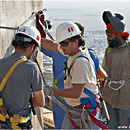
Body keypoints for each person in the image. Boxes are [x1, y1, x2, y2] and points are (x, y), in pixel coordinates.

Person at [41, 21, 104, 129]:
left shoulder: (80, 62)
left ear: (75, 41)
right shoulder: (70, 50)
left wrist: (52, 91)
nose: (61, 46)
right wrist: (34, 38)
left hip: (86, 112)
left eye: (64, 43)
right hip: (75, 109)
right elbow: (52, 45)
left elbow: (76, 92)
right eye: (61, 43)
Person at [40, 22, 84, 129]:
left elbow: (41, 44)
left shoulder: (60, 51)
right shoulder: (88, 55)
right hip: (79, 103)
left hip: (60, 98)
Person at [0, 25, 45, 129]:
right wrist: (25, 98)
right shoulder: (31, 68)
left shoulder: (1, 63)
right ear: (31, 47)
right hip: (19, 124)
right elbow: (40, 102)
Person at [102, 11, 130, 129]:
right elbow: (103, 71)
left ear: (119, 35)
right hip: (110, 96)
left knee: (124, 126)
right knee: (112, 125)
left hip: (126, 98)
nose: (108, 39)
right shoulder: (109, 50)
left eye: (110, 36)